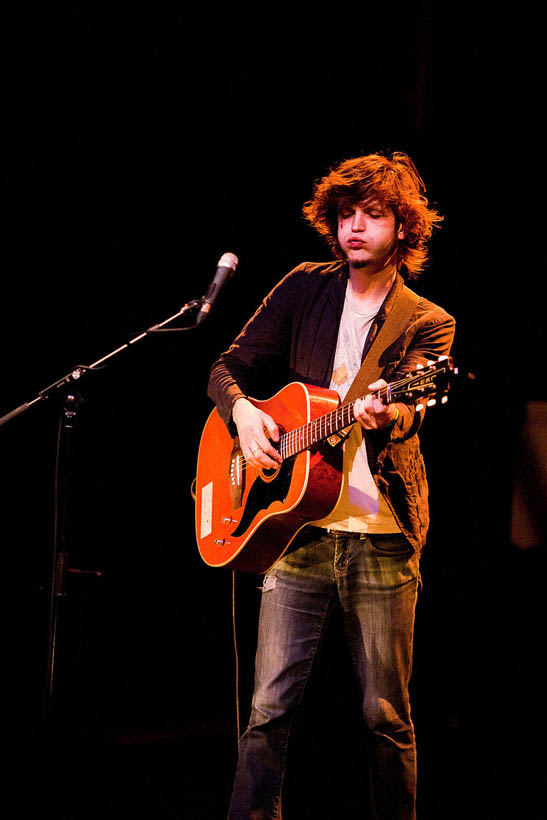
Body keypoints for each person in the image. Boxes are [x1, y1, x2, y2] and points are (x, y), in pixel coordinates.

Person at [208, 151, 455, 820]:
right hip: (295, 530)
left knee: (384, 715)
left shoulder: (425, 320)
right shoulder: (301, 287)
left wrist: (387, 413)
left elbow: (411, 405)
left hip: (379, 537)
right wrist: (244, 413)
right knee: (265, 711)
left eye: (371, 215)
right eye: (346, 214)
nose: (354, 227)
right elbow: (227, 366)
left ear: (402, 228)